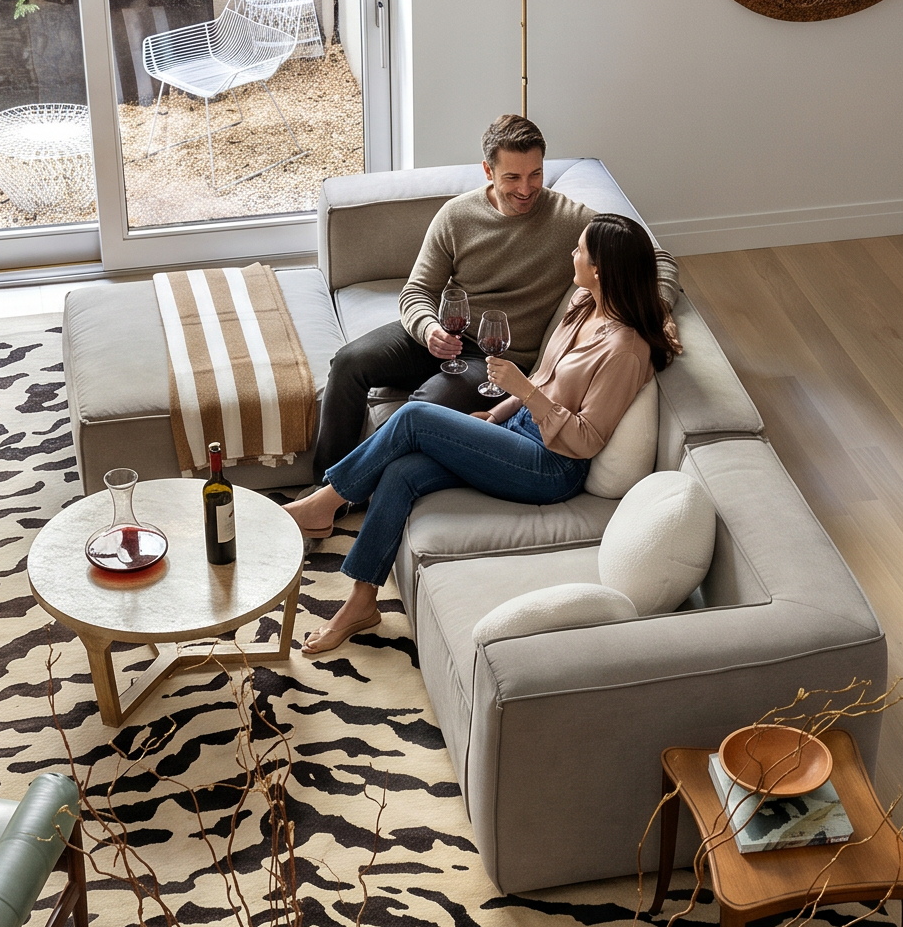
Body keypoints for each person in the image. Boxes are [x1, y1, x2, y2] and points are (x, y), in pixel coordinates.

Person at [287, 214, 680, 655]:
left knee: (416, 416)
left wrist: (523, 391)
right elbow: (546, 379)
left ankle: (323, 502)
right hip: (518, 431)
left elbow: (586, 439)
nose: (573, 254)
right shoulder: (583, 304)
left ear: (601, 268)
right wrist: (498, 412)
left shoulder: (625, 351)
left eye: (580, 250)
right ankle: (361, 603)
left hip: (551, 466)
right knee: (402, 471)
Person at [310, 113, 677, 474]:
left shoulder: (570, 219)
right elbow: (418, 290)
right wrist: (428, 330)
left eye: (535, 174)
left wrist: (656, 308)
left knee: (427, 404)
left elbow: (653, 257)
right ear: (488, 171)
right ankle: (323, 486)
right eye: (512, 177)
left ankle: (350, 489)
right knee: (348, 362)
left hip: (492, 361)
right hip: (443, 334)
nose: (526, 188)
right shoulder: (456, 215)